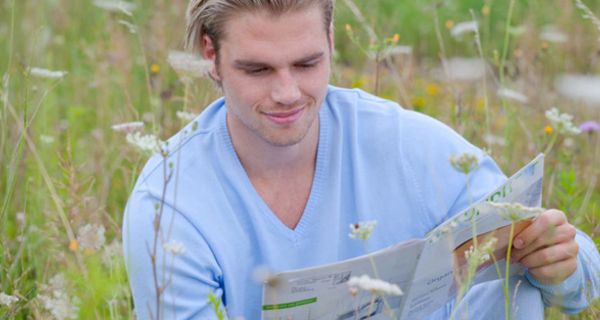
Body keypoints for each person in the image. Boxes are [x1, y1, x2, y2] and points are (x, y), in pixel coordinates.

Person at [123, 0, 600, 319]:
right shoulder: (170, 203)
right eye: (258, 69)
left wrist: (560, 263)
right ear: (212, 54)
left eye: (307, 64)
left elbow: (582, 276)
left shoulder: (405, 144)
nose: (287, 93)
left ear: (331, 38)